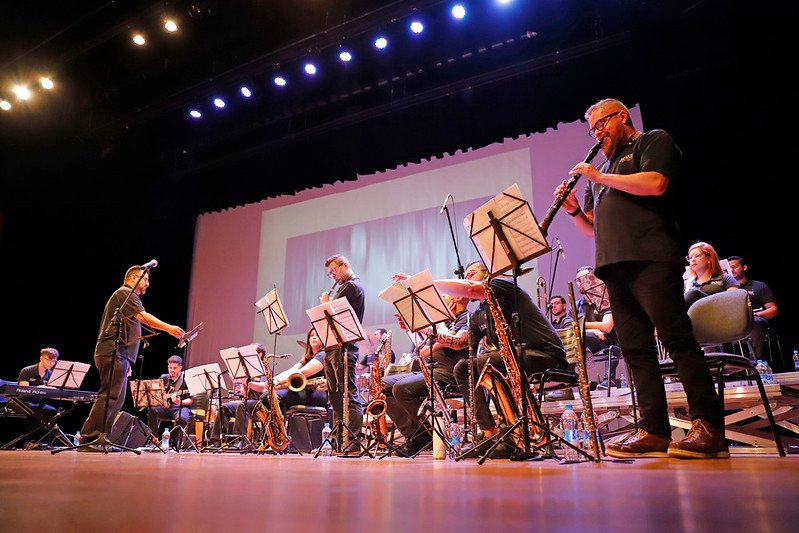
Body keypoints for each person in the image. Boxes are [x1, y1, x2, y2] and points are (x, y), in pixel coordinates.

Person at [555, 97, 728, 459]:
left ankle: (709, 429)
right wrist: (573, 210)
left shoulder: (651, 141)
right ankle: (653, 431)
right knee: (636, 351)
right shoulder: (602, 168)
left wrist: (600, 176)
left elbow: (655, 183)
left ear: (622, 117)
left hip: (651, 256)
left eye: (601, 124)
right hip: (613, 266)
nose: (597, 134)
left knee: (677, 340)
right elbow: (591, 230)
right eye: (592, 130)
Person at [395, 260, 567, 452]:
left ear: (488, 274)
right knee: (463, 367)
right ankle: (490, 433)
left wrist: (422, 285)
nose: (466, 279)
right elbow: (459, 341)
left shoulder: (502, 286)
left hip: (545, 353)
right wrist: (425, 329)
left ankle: (512, 432)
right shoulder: (479, 314)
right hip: (515, 357)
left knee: (487, 361)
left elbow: (469, 289)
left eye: (471, 274)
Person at [79, 265, 185, 452]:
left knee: (117, 399)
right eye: (145, 280)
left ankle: (102, 438)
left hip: (120, 355)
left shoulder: (128, 297)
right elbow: (143, 317)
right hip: (111, 352)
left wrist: (127, 360)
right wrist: (168, 328)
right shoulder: (125, 293)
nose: (148, 284)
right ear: (133, 278)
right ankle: (89, 438)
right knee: (109, 396)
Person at [382, 295, 470, 456]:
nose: (440, 298)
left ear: (456, 298)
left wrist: (435, 327)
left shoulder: (465, 317)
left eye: (443, 296)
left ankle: (426, 435)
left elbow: (454, 343)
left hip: (449, 372)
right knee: (382, 385)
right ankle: (418, 435)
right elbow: (423, 351)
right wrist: (413, 329)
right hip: (428, 369)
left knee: (402, 389)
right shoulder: (444, 323)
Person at [319, 254, 365, 452]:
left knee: (348, 395)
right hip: (334, 347)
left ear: (345, 265)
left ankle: (352, 442)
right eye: (330, 274)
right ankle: (340, 442)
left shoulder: (351, 286)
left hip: (343, 347)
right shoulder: (345, 287)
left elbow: (331, 313)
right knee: (337, 398)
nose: (333, 276)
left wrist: (324, 303)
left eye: (334, 271)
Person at [209, 344, 268, 448]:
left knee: (242, 406)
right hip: (247, 401)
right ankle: (216, 441)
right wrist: (243, 386)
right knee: (224, 407)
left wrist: (248, 383)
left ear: (260, 354)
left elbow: (263, 388)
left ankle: (238, 441)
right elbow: (244, 391)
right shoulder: (247, 370)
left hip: (260, 403)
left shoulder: (264, 369)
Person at [575, 266, 619, 388]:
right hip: (589, 338)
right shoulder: (576, 305)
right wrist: (593, 329)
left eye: (584, 278)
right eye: (577, 280)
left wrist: (582, 326)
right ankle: (567, 384)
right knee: (568, 338)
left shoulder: (606, 299)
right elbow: (571, 326)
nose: (580, 283)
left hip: (608, 341)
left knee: (579, 336)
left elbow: (607, 327)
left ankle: (608, 379)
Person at [728, 255, 779, 363]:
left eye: (734, 267)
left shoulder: (759, 286)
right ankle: (719, 367)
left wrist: (757, 314)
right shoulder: (725, 290)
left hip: (755, 321)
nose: (731, 270)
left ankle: (757, 364)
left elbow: (773, 310)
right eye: (729, 268)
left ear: (744, 267)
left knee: (754, 322)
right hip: (734, 325)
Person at [12, 348, 60, 449]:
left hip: (36, 402)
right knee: (34, 411)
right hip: (19, 401)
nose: (51, 363)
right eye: (48, 360)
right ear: (41, 358)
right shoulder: (27, 371)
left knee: (51, 411)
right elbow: (23, 391)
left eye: (54, 361)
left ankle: (43, 441)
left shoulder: (51, 374)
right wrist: (38, 388)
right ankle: (29, 442)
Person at [146, 355, 192, 448]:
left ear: (180, 368)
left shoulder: (186, 379)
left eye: (175, 368)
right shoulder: (164, 377)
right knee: (152, 409)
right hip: (167, 408)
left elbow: (191, 400)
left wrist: (180, 402)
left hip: (180, 407)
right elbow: (156, 395)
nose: (172, 370)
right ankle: (154, 440)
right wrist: (162, 402)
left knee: (182, 418)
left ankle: (172, 441)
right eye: (170, 368)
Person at [684, 241, 739, 308]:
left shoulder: (725, 279)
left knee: (693, 294)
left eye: (697, 256)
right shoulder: (687, 285)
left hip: (720, 315)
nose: (692, 260)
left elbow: (735, 302)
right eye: (690, 258)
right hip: (695, 317)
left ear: (709, 258)